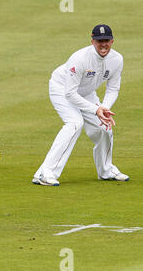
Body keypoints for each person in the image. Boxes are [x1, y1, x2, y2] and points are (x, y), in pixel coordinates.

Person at [32, 24, 129, 186]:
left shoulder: (117, 59)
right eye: (99, 41)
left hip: (87, 93)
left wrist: (104, 108)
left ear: (112, 41)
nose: (103, 44)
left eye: (106, 40)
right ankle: (45, 173)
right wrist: (95, 109)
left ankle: (106, 170)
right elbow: (70, 94)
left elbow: (113, 88)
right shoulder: (80, 58)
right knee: (75, 123)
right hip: (62, 88)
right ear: (92, 41)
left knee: (104, 127)